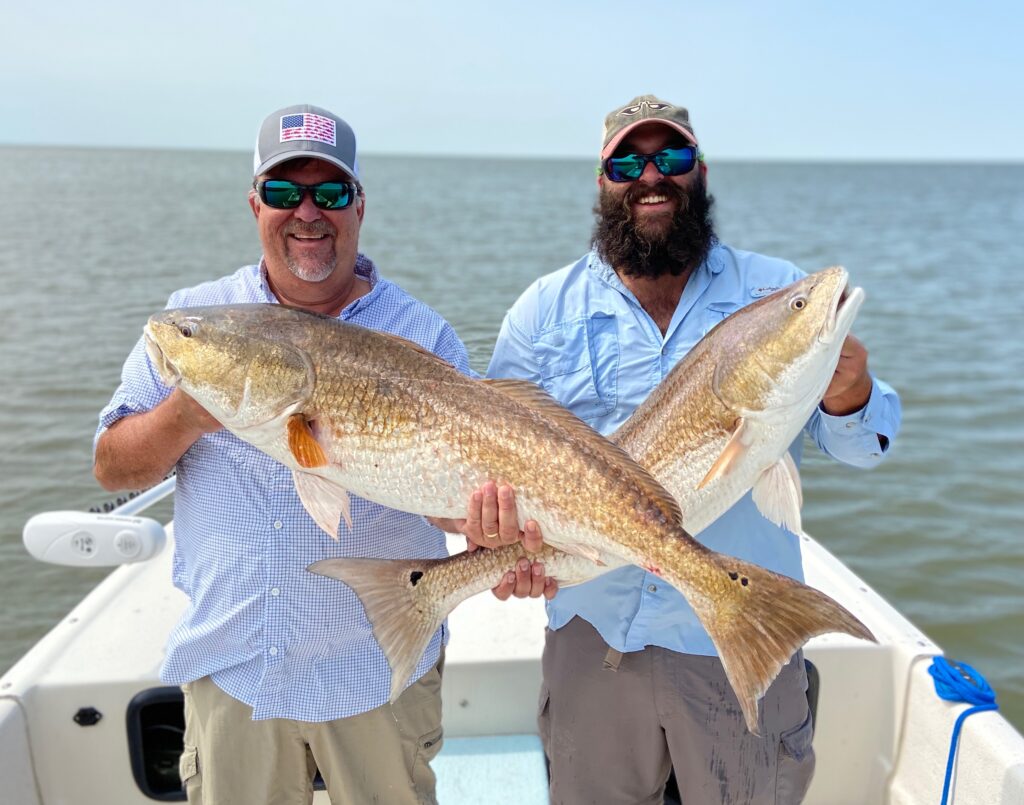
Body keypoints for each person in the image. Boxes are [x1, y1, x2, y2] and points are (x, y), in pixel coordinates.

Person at [461, 95, 902, 804]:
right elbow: (494, 467)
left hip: (739, 639)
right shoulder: (541, 314)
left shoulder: (771, 291)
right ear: (602, 180)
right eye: (628, 161)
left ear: (700, 171)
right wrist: (497, 536)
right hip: (592, 636)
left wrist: (847, 392)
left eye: (673, 158)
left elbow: (863, 449)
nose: (652, 176)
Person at [93, 104, 470, 805]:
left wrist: (492, 517)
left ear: (358, 204)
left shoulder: (425, 337)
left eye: (329, 193)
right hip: (237, 669)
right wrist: (185, 412)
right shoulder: (197, 317)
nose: (307, 212)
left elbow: (458, 509)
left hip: (376, 672)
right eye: (282, 191)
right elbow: (112, 463)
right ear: (253, 202)